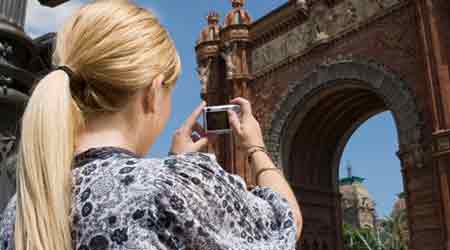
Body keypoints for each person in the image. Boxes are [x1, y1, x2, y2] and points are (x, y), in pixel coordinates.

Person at [0, 1, 302, 250]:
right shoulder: (173, 187)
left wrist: (176, 165)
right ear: (153, 93)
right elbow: (285, 221)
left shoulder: (19, 210)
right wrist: (255, 146)